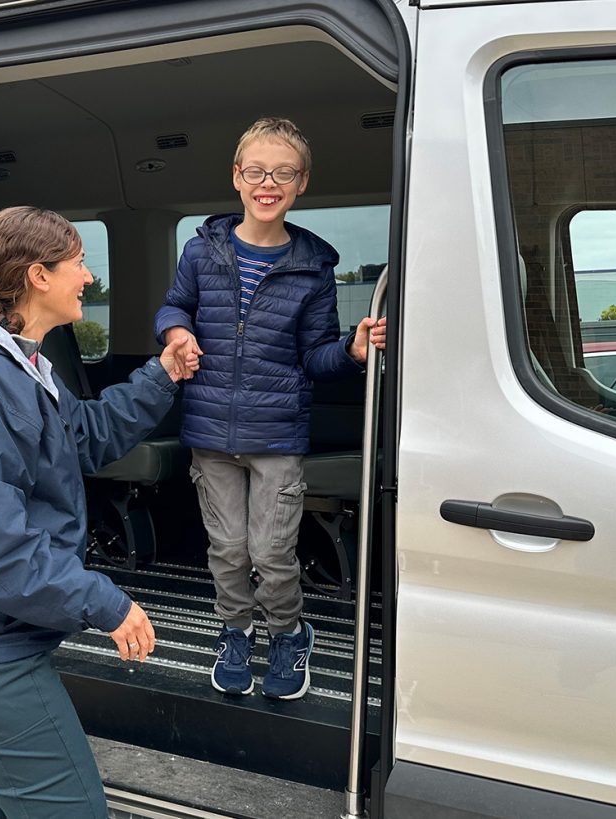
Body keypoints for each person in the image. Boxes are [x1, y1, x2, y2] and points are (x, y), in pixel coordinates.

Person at [0, 206, 197, 818]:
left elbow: (82, 434)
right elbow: (1, 552)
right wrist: (105, 602)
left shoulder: (17, 364)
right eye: (79, 264)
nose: (88, 278)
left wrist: (162, 375)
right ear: (38, 275)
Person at [153, 117, 386, 701]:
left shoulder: (313, 269)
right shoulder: (201, 252)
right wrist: (177, 333)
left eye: (283, 172)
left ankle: (287, 632)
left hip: (278, 436)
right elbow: (173, 307)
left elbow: (315, 355)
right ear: (237, 177)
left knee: (273, 553)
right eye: (256, 170)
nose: (268, 182)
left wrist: (352, 352)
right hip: (211, 432)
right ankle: (235, 630)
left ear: (301, 182)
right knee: (227, 551)